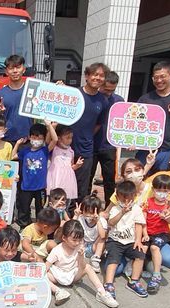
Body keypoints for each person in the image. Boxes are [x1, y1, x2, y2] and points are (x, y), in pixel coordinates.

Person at [47, 220, 117, 308]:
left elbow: (82, 266)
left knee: (88, 267)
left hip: (73, 275)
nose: (77, 243)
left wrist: (80, 256)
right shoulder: (57, 250)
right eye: (74, 240)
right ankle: (57, 291)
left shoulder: (79, 247)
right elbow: (47, 264)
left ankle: (102, 293)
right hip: (57, 276)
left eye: (80, 240)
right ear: (64, 238)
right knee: (43, 274)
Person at [137, 61, 170, 173]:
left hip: (168, 150)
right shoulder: (145, 99)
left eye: (162, 77)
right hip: (145, 150)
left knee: (163, 185)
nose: (159, 80)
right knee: (139, 181)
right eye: (156, 78)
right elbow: (135, 123)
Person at [71, 62, 110, 203]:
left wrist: (86, 135)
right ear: (87, 76)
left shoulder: (103, 101)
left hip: (85, 149)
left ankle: (76, 217)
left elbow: (98, 124)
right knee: (62, 183)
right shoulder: (74, 94)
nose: (97, 78)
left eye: (101, 76)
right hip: (65, 147)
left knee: (81, 187)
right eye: (94, 74)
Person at [103, 181, 148, 299]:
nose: (126, 203)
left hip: (131, 241)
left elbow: (138, 224)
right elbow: (111, 223)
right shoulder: (115, 209)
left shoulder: (137, 209)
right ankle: (108, 284)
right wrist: (122, 213)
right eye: (123, 199)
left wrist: (138, 240)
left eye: (130, 199)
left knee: (140, 255)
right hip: (115, 240)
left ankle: (133, 281)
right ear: (117, 198)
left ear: (135, 197)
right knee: (113, 259)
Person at [13, 121, 58, 227]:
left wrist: (49, 126)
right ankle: (24, 226)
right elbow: (13, 156)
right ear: (29, 137)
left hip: (40, 187)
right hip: (26, 186)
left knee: (40, 209)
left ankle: (40, 227)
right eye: (34, 137)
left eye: (39, 138)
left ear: (43, 138)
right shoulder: (25, 151)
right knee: (24, 208)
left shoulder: (45, 150)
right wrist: (18, 143)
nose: (36, 140)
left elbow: (55, 139)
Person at [91, 71, 124, 206]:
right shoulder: (93, 98)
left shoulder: (119, 102)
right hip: (91, 146)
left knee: (109, 181)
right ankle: (83, 206)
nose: (108, 93)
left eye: (112, 90)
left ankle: (110, 208)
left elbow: (124, 124)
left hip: (109, 146)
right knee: (86, 179)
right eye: (106, 89)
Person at [142, 174, 170, 293]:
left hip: (162, 233)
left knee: (154, 247)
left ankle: (156, 276)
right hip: (149, 233)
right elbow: (143, 220)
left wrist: (167, 216)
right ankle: (138, 270)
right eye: (159, 190)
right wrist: (145, 233)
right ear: (153, 190)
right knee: (141, 249)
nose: (161, 193)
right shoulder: (148, 202)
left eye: (165, 191)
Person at [0, 55, 33, 145]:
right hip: (5, 141)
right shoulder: (0, 93)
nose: (15, 71)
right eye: (11, 68)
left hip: (27, 141)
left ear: (24, 69)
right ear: (6, 72)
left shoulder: (31, 91)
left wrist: (60, 87)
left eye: (18, 67)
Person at [73, 192, 108, 273]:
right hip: (82, 245)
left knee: (102, 239)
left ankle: (96, 258)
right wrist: (75, 215)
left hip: (94, 247)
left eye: (91, 212)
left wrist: (98, 221)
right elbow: (71, 229)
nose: (88, 215)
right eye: (86, 212)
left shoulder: (101, 221)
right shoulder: (81, 218)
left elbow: (103, 236)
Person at [47, 124, 80, 202]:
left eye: (71, 138)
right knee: (54, 201)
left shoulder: (71, 151)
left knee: (65, 202)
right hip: (56, 180)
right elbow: (48, 141)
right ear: (59, 138)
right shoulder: (54, 149)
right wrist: (52, 126)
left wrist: (77, 165)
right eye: (67, 138)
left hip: (67, 182)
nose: (70, 140)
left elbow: (71, 166)